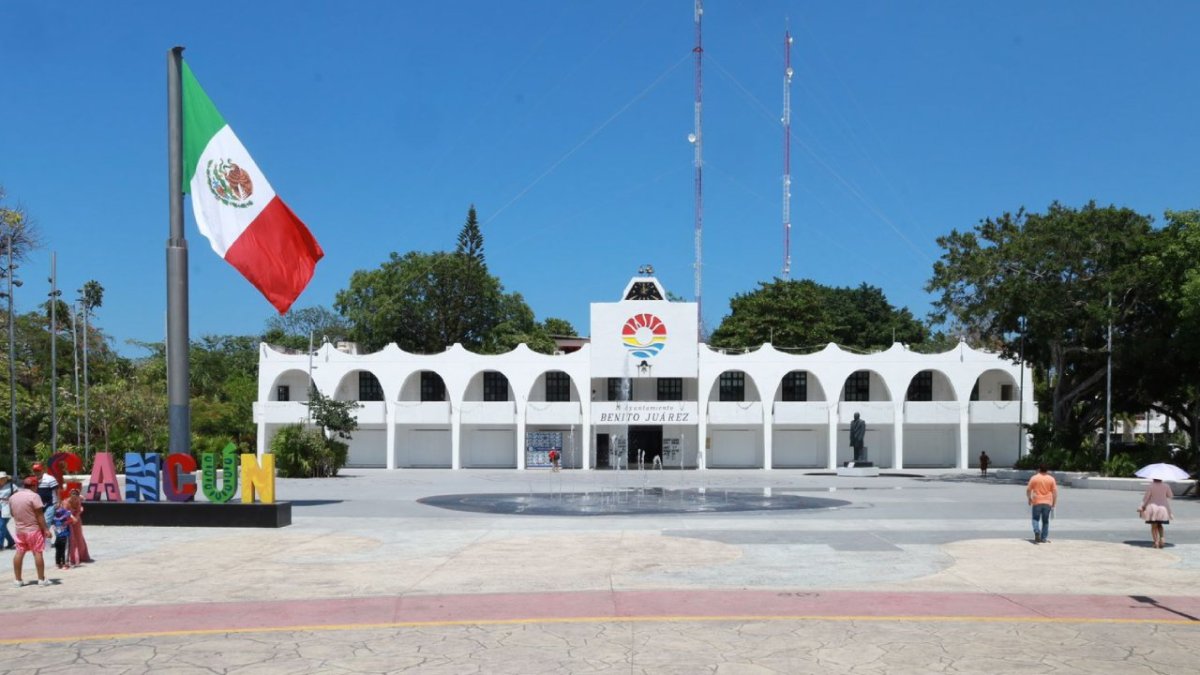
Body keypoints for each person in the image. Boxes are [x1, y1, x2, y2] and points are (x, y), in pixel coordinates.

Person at [10, 476, 52, 587]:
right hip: (33, 530)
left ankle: (18, 580)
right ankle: (41, 579)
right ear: (34, 485)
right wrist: (46, 529)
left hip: (19, 530)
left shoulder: (13, 497)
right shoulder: (34, 496)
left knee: (19, 553)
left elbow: (12, 514)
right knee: (38, 553)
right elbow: (40, 515)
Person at [1026, 464, 1058, 543]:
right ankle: (1043, 538)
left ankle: (1037, 531)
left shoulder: (1034, 478)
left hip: (1037, 501)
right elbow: (1055, 493)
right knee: (1045, 521)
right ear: (1047, 470)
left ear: (1039, 469)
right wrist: (1054, 503)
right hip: (1048, 502)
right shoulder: (1051, 479)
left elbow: (1028, 490)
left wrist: (1029, 498)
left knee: (1035, 518)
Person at [1138, 478, 1174, 549]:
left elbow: (1146, 498)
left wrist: (1141, 506)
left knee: (1153, 526)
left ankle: (1156, 542)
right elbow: (1171, 496)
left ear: (1153, 478)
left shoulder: (1150, 486)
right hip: (1163, 508)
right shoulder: (1166, 486)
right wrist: (1163, 494)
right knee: (1160, 525)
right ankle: (1162, 538)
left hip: (1152, 508)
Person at [66, 489, 92, 564]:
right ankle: (73, 557)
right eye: (73, 497)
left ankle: (82, 556)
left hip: (77, 520)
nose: (74, 499)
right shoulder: (66, 502)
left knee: (79, 537)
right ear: (70, 496)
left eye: (76, 497)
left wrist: (76, 517)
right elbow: (66, 512)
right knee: (72, 538)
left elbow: (78, 510)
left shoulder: (78, 501)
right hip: (68, 520)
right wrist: (72, 518)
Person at [50, 504, 73, 570]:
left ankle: (61, 563)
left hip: (62, 537)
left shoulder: (54, 519)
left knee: (60, 551)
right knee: (61, 551)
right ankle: (62, 564)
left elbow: (72, 519)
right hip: (62, 537)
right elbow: (72, 519)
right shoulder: (56, 519)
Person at [0, 472, 15, 550]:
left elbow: (17, 496)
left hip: (7, 507)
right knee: (2, 526)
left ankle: (0, 544)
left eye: (3, 478)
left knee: (1, 526)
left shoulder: (12, 486)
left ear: (6, 478)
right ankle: (11, 541)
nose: (1, 480)